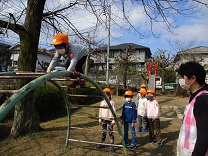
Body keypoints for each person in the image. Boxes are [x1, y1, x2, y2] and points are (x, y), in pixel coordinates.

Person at [177, 61, 208, 156]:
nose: (180, 80)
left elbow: (204, 137)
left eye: (182, 77)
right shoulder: (193, 96)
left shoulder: (202, 100)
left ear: (193, 79)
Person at [96, 88, 116, 153]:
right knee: (103, 132)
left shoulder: (112, 102)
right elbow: (100, 111)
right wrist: (100, 119)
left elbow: (114, 112)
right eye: (104, 94)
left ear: (109, 95)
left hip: (110, 120)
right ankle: (102, 143)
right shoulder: (102, 102)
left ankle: (112, 146)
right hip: (103, 119)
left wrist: (113, 120)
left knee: (110, 133)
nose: (105, 96)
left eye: (107, 94)